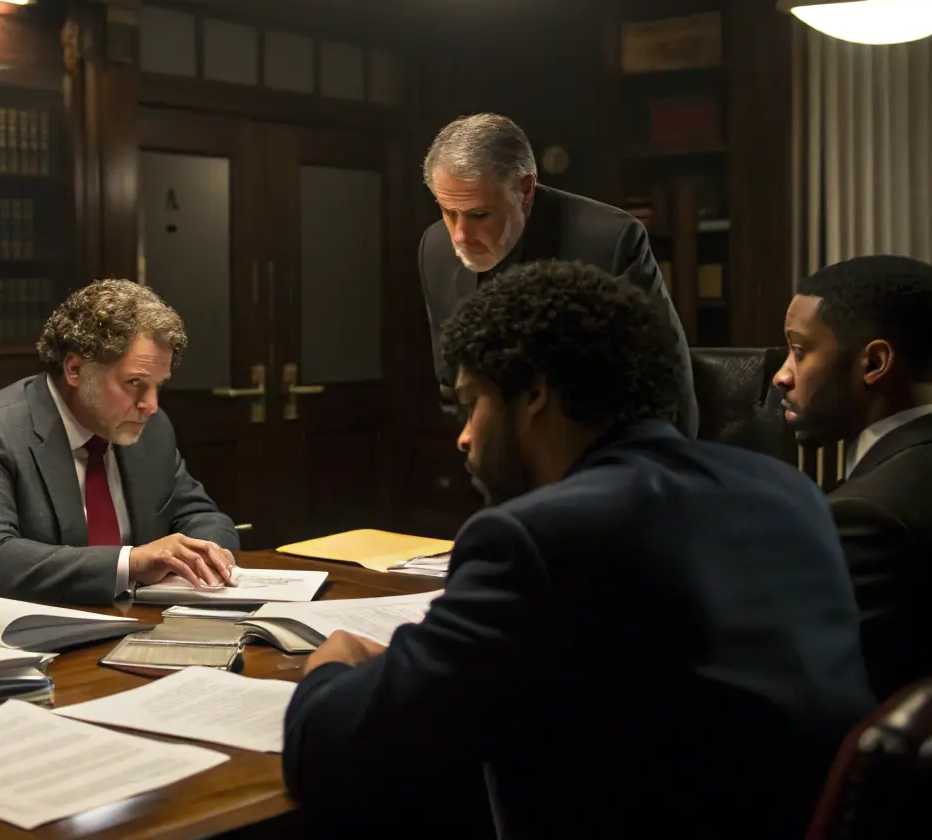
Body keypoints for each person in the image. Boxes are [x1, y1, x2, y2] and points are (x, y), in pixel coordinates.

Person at [282, 260, 872, 837]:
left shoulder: (538, 537)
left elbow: (330, 751)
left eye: (472, 404)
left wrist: (334, 663)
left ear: (534, 393)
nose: (463, 436)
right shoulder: (787, 491)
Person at [0, 279, 239, 606]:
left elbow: (202, 517)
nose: (151, 405)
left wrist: (203, 556)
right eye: (134, 383)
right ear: (75, 369)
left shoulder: (153, 429)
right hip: (44, 634)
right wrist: (131, 563)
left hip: (146, 623)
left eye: (159, 385)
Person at [418, 112, 698, 436]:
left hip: (605, 456)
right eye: (448, 212)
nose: (460, 236)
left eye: (478, 215)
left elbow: (665, 387)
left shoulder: (608, 242)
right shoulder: (435, 248)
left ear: (525, 191)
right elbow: (453, 387)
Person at [773, 254, 932, 699]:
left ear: (874, 363)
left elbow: (817, 698)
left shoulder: (862, 518)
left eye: (799, 350)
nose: (781, 375)